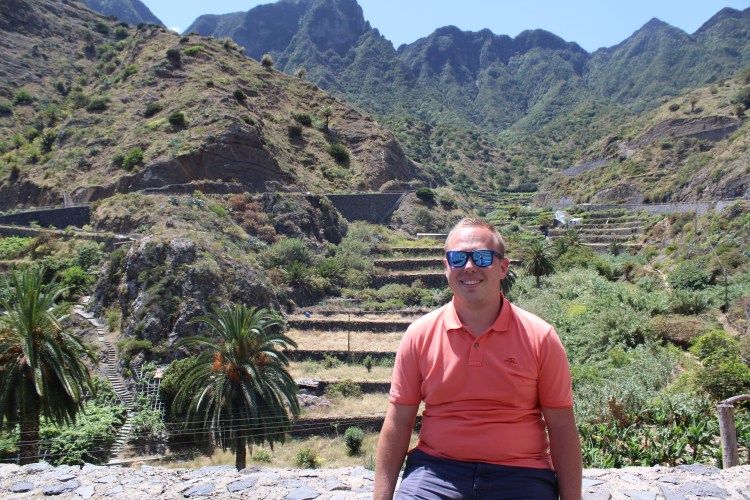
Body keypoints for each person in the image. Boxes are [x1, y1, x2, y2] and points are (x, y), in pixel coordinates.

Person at [374, 217, 582, 499]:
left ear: (503, 267)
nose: (469, 266)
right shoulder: (419, 335)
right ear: (446, 266)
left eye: (482, 257)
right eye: (458, 258)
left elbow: (562, 427)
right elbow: (399, 422)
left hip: (521, 474)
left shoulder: (540, 337)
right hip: (436, 472)